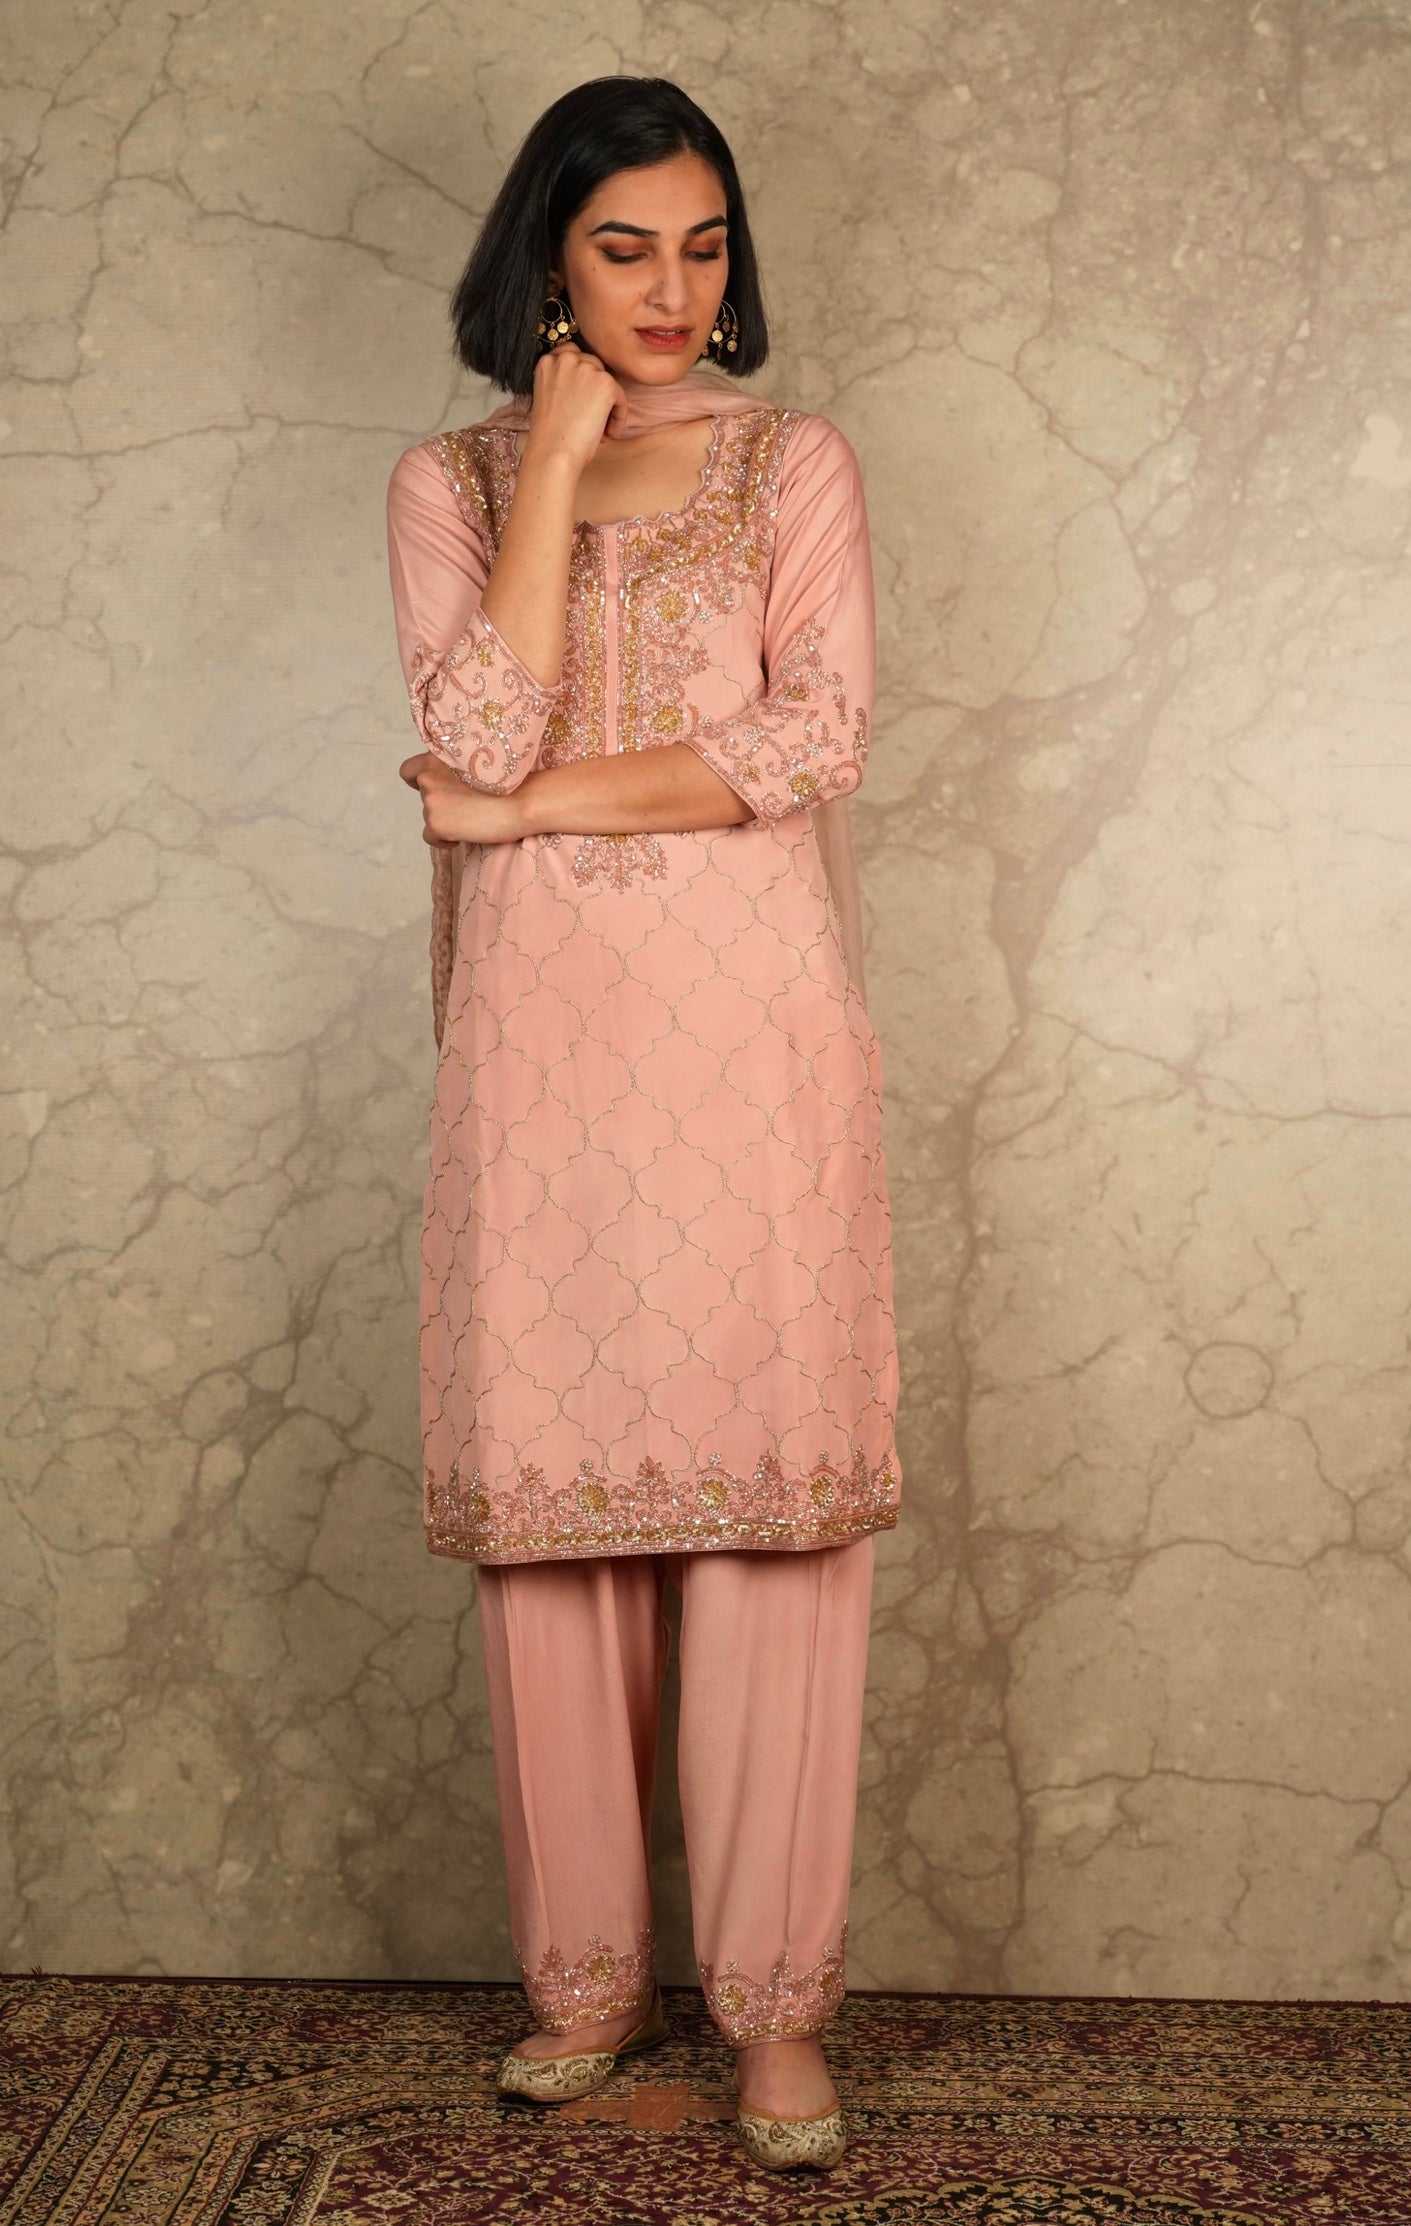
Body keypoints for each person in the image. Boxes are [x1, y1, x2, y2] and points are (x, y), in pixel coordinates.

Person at [385, 74, 902, 2176]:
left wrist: (514, 817)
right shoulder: (446, 485)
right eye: (623, 247)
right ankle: (585, 1989)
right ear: (548, 259)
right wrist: (551, 474)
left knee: (773, 1528)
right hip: (542, 1060)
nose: (672, 288)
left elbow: (813, 736)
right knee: (554, 1533)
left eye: (703, 245)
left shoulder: (795, 464)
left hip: (751, 1044)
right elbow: (468, 720)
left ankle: (777, 2016)